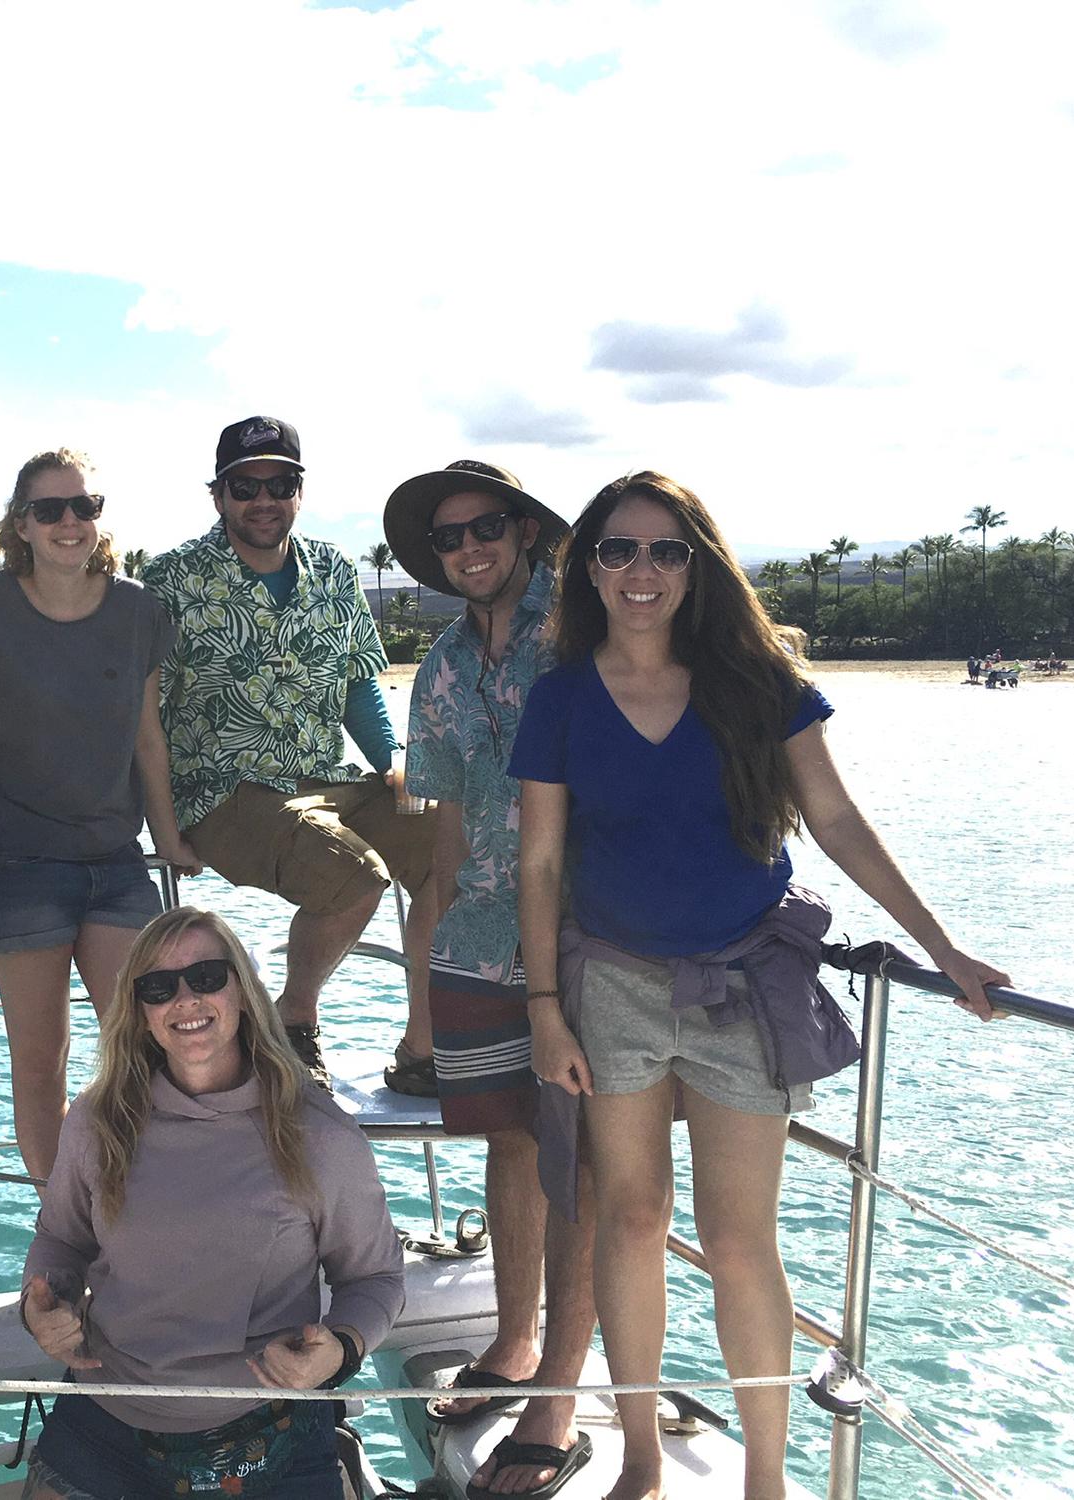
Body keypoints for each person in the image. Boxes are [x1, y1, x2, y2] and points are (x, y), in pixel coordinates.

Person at [512, 472, 1010, 1500]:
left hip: (744, 984)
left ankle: (766, 1484)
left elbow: (835, 822)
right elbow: (539, 865)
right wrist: (543, 1007)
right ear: (588, 569)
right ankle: (641, 1459)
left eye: (662, 551)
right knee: (633, 1220)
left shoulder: (759, 684)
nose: (639, 571)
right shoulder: (559, 694)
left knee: (740, 1244)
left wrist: (943, 948)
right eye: (617, 551)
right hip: (607, 988)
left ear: (696, 564)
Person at [20, 905, 405, 1500]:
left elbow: (376, 1276)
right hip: (106, 1420)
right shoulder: (98, 1121)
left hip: (268, 1430)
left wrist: (342, 1349)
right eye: (158, 987)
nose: (185, 1000)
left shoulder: (319, 1135)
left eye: (206, 978)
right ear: (140, 1012)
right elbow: (62, 1241)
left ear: (244, 993)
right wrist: (40, 1308)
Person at [0, 448, 199, 1182]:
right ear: (21, 525)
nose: (70, 522)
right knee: (41, 1062)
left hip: (115, 862)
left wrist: (170, 841)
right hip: (18, 862)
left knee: (148, 1047)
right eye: (50, 509)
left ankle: (150, 1207)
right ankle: (60, 1222)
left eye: (85, 507)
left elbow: (147, 736)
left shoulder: (140, 612)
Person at [385, 460, 595, 1498]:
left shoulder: (589, 625)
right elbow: (447, 826)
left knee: (584, 1159)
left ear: (522, 531)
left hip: (590, 934)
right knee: (509, 1143)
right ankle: (515, 1342)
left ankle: (560, 1385)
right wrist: (423, 988)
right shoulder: (436, 667)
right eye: (447, 540)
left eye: (483, 528)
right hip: (474, 936)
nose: (467, 549)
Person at [143, 416, 437, 1084]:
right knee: (353, 875)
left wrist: (390, 758)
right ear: (218, 495)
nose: (263, 499)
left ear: (299, 491)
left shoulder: (333, 570)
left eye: (280, 483)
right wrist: (162, 827)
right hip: (225, 793)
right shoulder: (169, 582)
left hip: (328, 781)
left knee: (450, 839)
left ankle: (423, 1048)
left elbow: (358, 677)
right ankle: (294, 1019)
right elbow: (142, 722)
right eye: (245, 485)